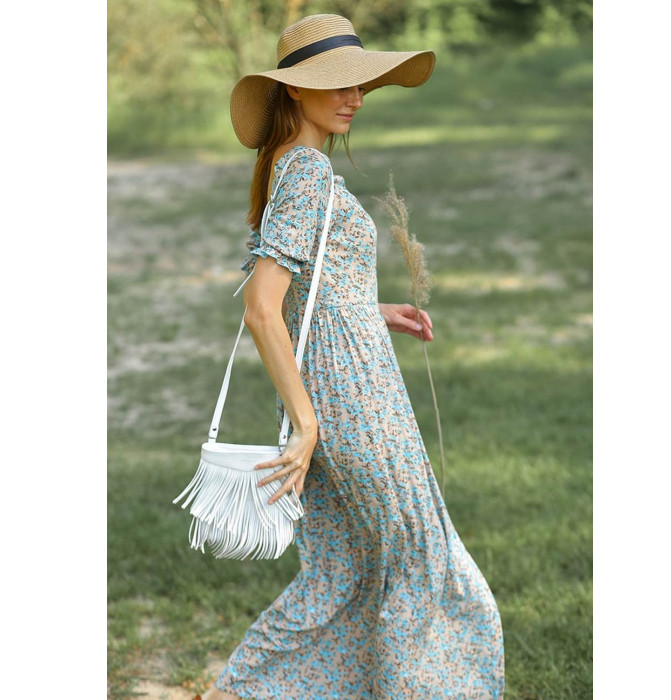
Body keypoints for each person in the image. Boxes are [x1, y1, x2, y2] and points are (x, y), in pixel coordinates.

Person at [198, 13, 505, 700]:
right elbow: (262, 308)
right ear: (293, 89)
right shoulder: (306, 171)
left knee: (340, 572)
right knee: (427, 563)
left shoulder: (292, 165)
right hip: (352, 398)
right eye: (336, 83)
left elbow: (310, 291)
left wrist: (373, 310)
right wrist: (307, 425)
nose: (354, 97)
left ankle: (234, 694)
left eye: (360, 84)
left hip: (342, 385)